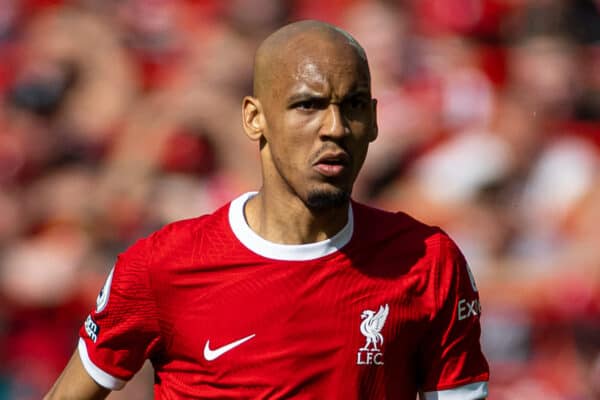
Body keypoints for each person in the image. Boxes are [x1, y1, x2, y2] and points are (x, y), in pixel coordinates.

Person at [44, 20, 489, 399]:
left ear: (372, 120)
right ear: (255, 118)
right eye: (308, 105)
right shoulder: (162, 266)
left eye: (352, 106)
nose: (334, 128)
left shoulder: (428, 262)